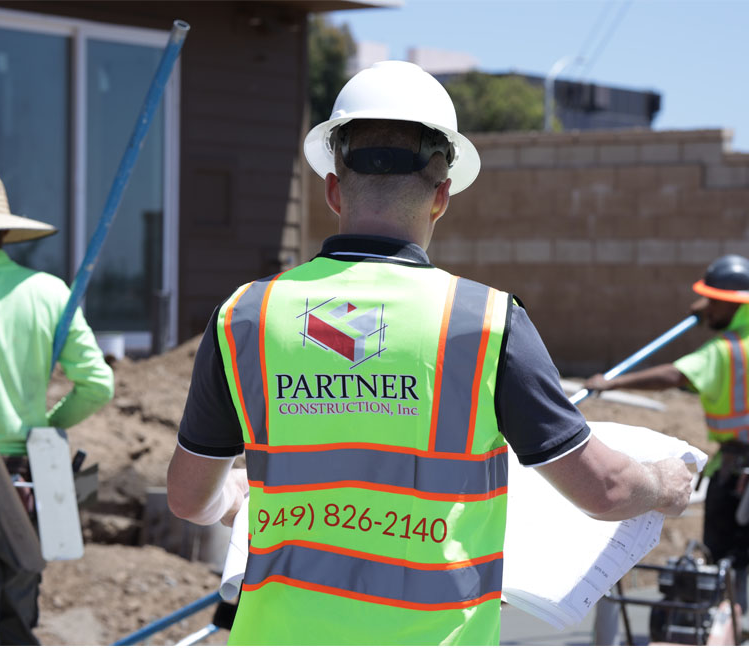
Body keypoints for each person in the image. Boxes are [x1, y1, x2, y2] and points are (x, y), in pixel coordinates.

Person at [167, 60, 692, 645]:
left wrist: (231, 495)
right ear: (442, 195)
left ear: (333, 187)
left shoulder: (245, 315)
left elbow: (190, 499)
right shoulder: (486, 323)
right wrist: (667, 484)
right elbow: (607, 491)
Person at [0, 164, 114, 644]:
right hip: (34, 484)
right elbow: (97, 385)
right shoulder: (46, 292)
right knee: (19, 625)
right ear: (3, 231)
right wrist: (45, 427)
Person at [585, 253, 749, 612]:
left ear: (733, 304)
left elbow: (675, 376)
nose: (703, 307)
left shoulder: (727, 351)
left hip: (738, 474)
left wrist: (611, 383)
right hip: (736, 466)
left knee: (725, 560)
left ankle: (730, 626)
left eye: (713, 300)